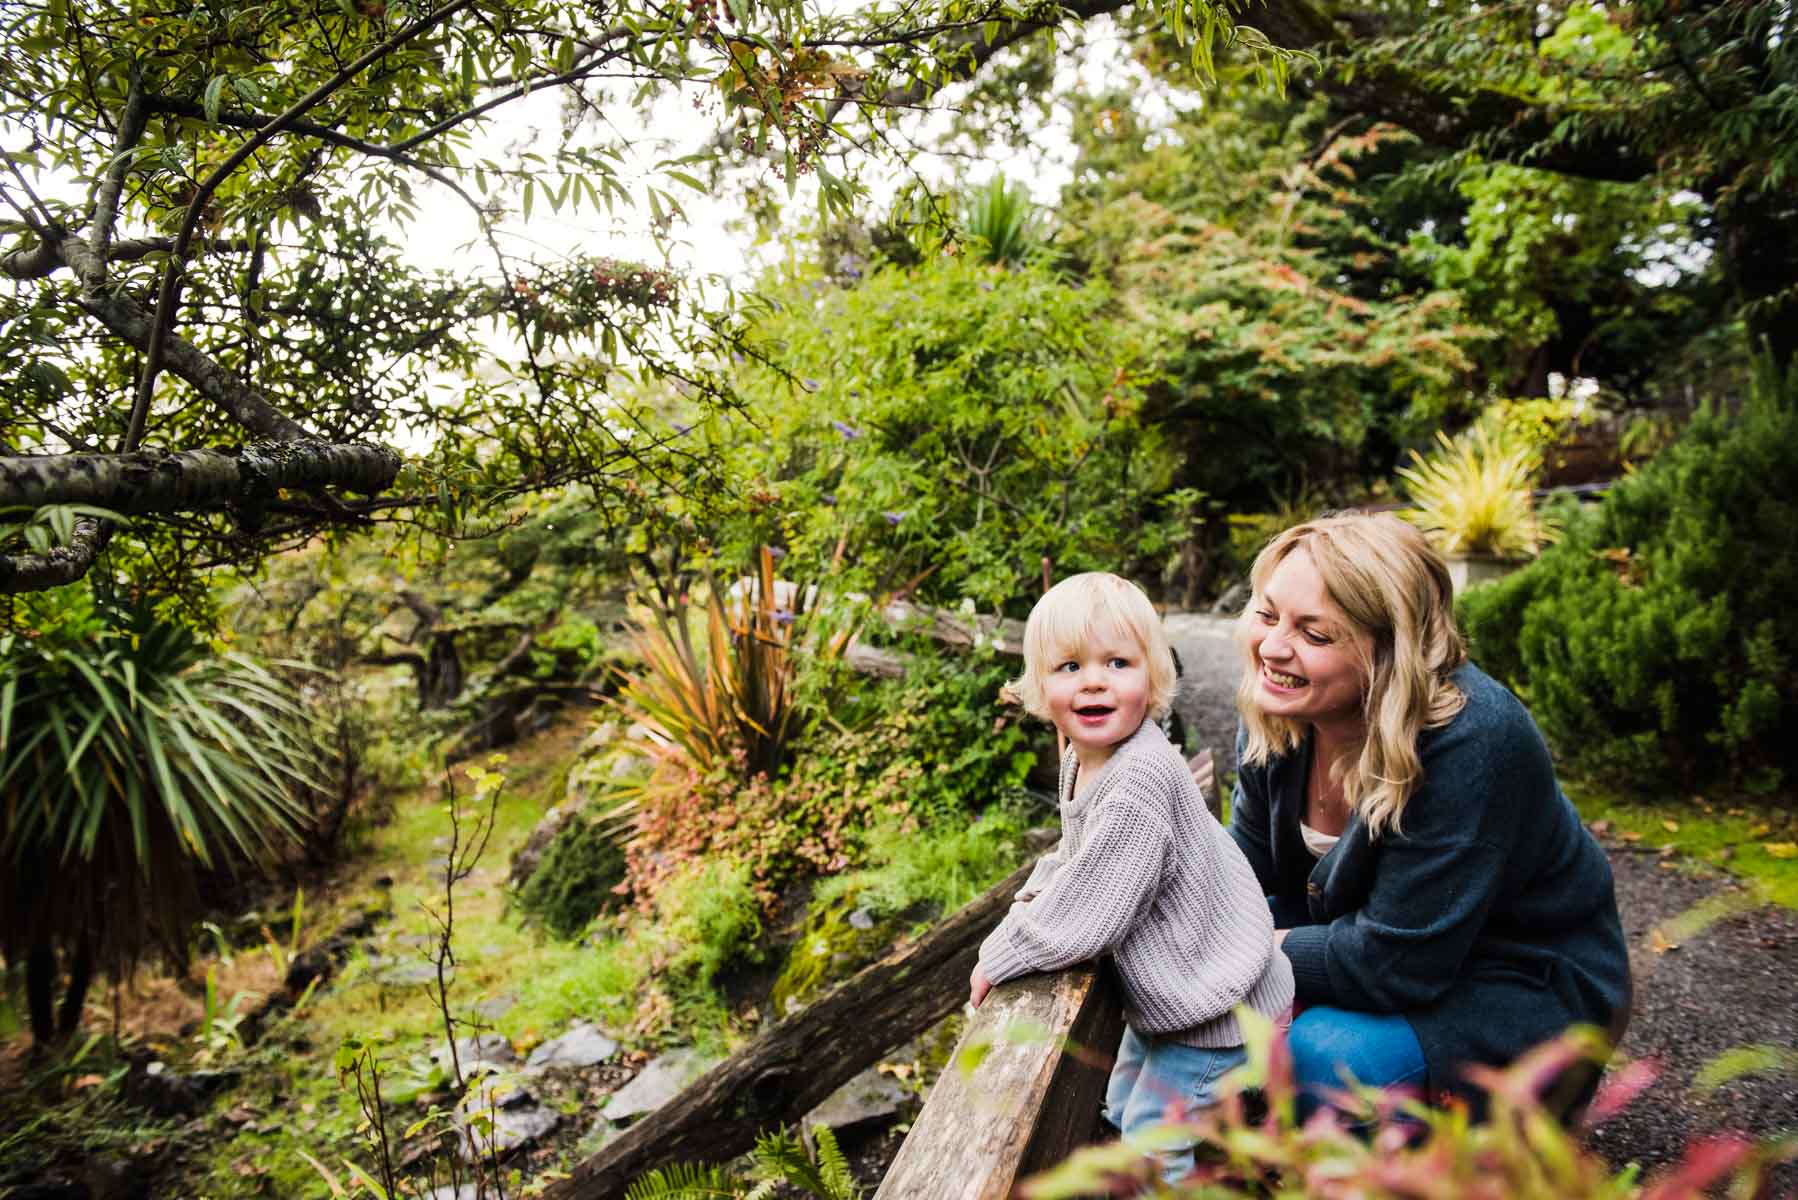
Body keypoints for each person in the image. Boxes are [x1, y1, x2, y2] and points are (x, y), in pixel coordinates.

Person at [1224, 512, 1630, 1121]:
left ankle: (1471, 1133)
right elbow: (1240, 878)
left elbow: (1393, 966)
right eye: (1267, 614)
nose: (1273, 647)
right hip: (1367, 931)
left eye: (1315, 634)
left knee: (1326, 1058)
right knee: (1182, 977)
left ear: (1390, 650)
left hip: (1510, 978)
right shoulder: (1281, 709)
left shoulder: (1474, 742)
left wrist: (1245, 951)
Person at [969, 572, 1294, 1182]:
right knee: (1120, 1106)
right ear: (1039, 686)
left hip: (1220, 1006)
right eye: (1069, 667)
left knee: (1151, 1139)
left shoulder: (1137, 782)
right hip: (1182, 990)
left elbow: (1094, 909)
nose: (1093, 681)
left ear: (1152, 676)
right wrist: (1036, 892)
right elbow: (1080, 856)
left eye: (1117, 663)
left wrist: (1002, 953)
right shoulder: (1087, 756)